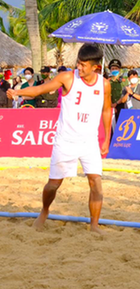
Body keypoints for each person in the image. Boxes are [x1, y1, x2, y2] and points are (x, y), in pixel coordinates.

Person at [7, 44, 112, 234]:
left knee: (95, 182)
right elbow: (40, 89)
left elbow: (106, 111)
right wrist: (17, 92)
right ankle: (44, 210)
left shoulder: (104, 84)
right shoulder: (68, 77)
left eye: (83, 65)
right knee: (54, 184)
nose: (79, 67)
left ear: (95, 66)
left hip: (89, 141)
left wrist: (106, 139)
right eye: (78, 63)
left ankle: (94, 225)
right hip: (66, 140)